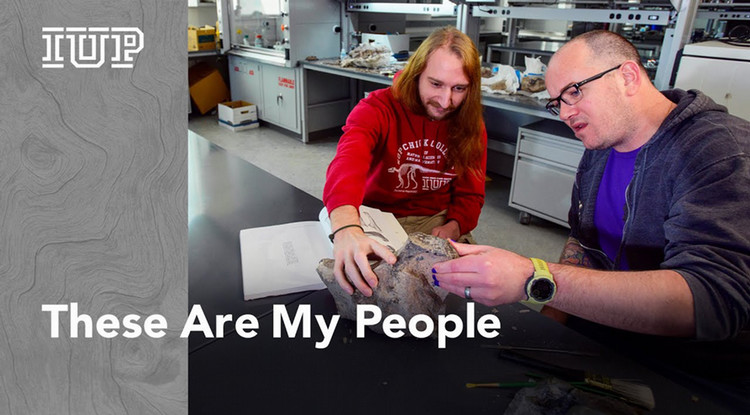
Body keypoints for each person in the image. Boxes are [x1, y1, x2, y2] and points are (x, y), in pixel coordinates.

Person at [432, 30, 750, 342]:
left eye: (575, 92)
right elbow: (583, 241)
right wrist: (549, 327)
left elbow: (714, 299)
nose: (566, 114)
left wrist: (535, 277)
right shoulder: (601, 147)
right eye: (558, 102)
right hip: (597, 327)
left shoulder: (717, 150)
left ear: (627, 76)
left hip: (681, 365)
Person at [323, 26, 487, 297]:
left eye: (459, 89)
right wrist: (346, 226)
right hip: (377, 219)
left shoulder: (470, 123)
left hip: (435, 221)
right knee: (362, 285)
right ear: (417, 73)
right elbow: (346, 164)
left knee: (462, 292)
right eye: (436, 84)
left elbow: (471, 194)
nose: (446, 101)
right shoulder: (377, 109)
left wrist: (454, 226)